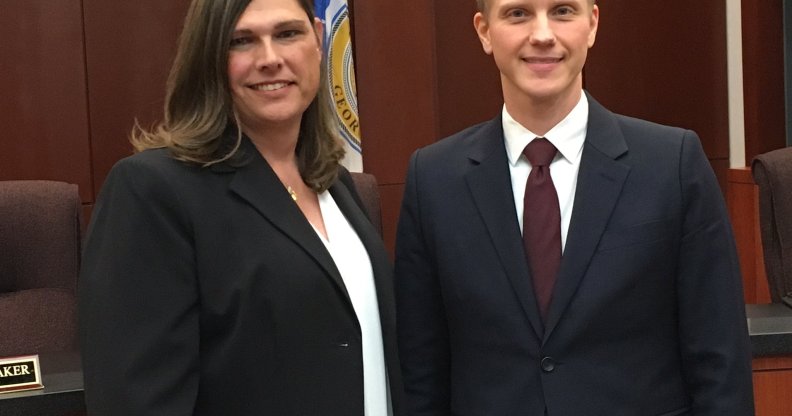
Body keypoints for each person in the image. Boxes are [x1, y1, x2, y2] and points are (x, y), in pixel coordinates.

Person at [393, 0, 754, 415]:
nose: (542, 35)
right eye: (518, 13)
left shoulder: (671, 164)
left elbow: (720, 359)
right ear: (484, 31)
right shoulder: (433, 180)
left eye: (562, 11)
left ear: (592, 24)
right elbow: (421, 374)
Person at [78, 0, 402, 414]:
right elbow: (135, 399)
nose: (270, 59)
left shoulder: (334, 182)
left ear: (319, 40)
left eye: (287, 33)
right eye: (242, 41)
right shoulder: (153, 191)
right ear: (209, 56)